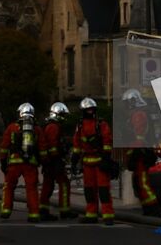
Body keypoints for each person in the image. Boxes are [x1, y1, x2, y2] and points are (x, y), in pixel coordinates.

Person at [72, 96, 116, 225]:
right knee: (89, 190)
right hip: (87, 163)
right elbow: (77, 143)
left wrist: (106, 158)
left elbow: (107, 141)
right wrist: (74, 160)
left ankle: (108, 215)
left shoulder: (101, 124)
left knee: (103, 190)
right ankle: (91, 214)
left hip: (100, 161)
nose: (90, 111)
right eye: (88, 109)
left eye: (92, 109)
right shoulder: (80, 126)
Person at [0, 102, 43, 222]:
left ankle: (6, 210)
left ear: (20, 113)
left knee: (8, 186)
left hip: (14, 163)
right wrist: (43, 161)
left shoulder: (12, 127)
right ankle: (34, 214)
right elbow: (42, 148)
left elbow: (4, 146)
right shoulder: (37, 129)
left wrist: (3, 161)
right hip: (30, 164)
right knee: (32, 188)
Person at [122, 88, 161, 217]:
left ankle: (153, 209)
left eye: (127, 103)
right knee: (139, 183)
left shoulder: (138, 115)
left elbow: (138, 137)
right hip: (141, 153)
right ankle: (148, 208)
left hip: (140, 154)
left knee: (143, 183)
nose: (126, 107)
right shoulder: (139, 113)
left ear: (133, 101)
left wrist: (132, 154)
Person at [39, 102, 76, 220]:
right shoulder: (54, 127)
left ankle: (43, 211)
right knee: (64, 184)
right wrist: (58, 159)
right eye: (63, 115)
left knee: (47, 186)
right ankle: (64, 211)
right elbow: (53, 146)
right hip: (54, 161)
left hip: (49, 162)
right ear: (58, 114)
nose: (64, 118)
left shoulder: (50, 126)